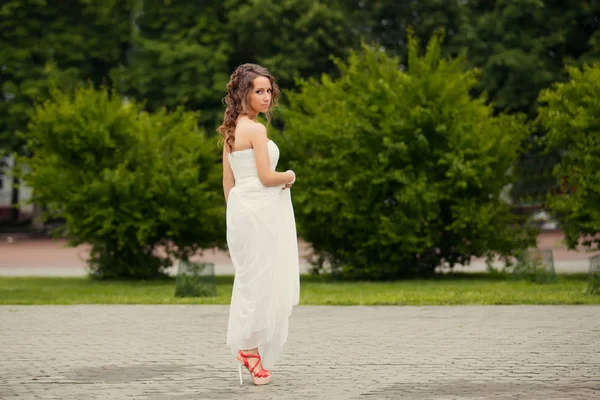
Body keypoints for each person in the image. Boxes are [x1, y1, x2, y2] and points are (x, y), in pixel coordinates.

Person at [218, 63, 300, 386]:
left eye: (268, 91)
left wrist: (236, 214)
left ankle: (249, 347)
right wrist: (290, 176)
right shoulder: (256, 130)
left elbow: (228, 182)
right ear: (244, 94)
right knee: (260, 281)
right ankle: (249, 350)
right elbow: (267, 177)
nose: (266, 97)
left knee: (251, 280)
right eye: (259, 91)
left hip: (243, 210)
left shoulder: (231, 130)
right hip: (260, 211)